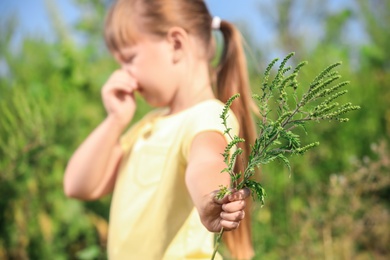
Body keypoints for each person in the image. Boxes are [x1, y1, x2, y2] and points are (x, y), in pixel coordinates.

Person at [64, 0, 257, 259]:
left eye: (129, 59)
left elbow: (206, 162)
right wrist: (115, 121)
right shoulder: (147, 126)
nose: (124, 73)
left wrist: (213, 197)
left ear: (176, 44)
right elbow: (78, 185)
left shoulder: (208, 115)